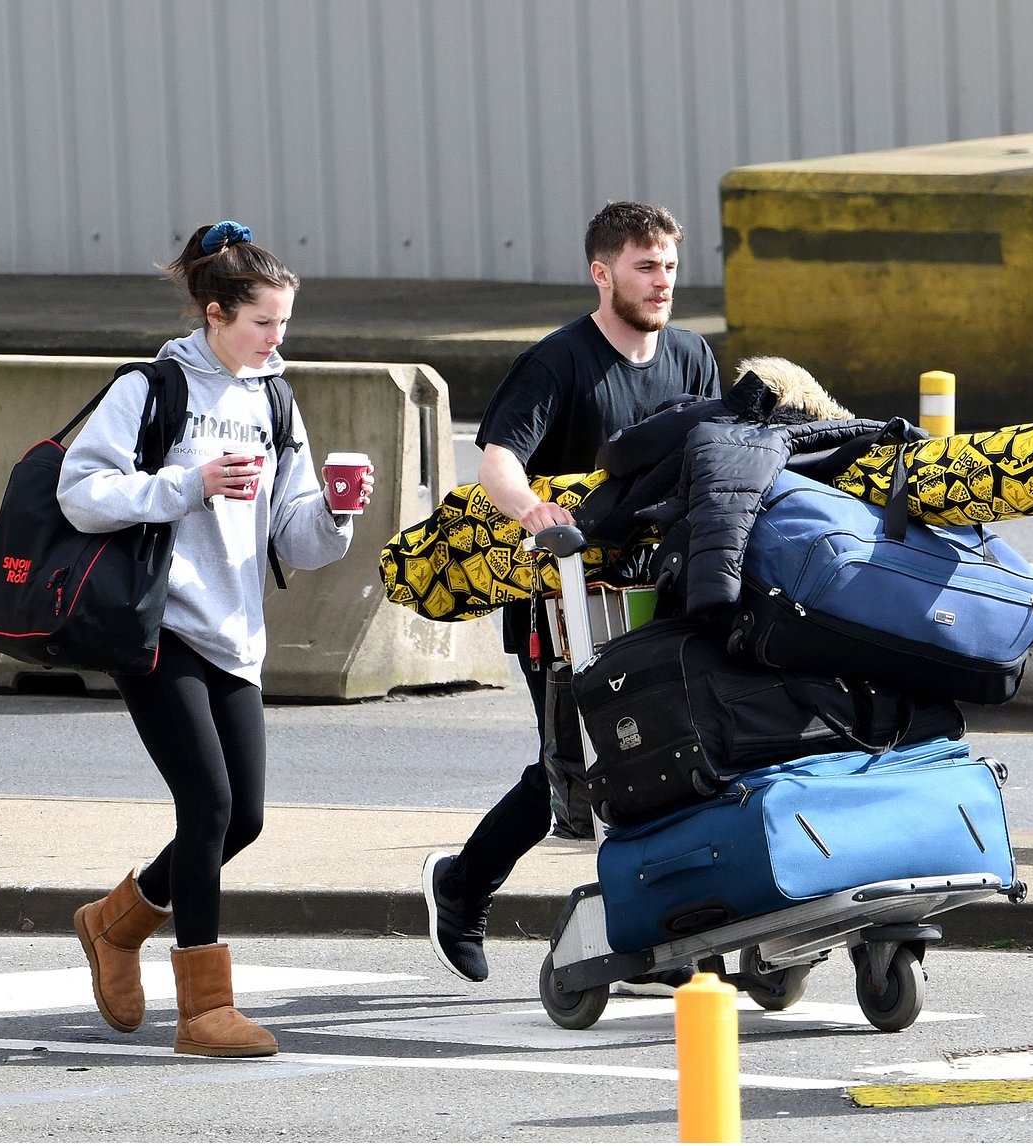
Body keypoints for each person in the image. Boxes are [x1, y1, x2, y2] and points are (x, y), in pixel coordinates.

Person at [60, 221, 373, 1057]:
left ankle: (113, 923)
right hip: (158, 620)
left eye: (284, 325)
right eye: (263, 323)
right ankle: (203, 1010)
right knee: (206, 805)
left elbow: (294, 537)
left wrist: (335, 512)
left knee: (246, 820)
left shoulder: (274, 396)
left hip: (236, 626)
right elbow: (81, 491)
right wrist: (185, 485)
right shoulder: (152, 387)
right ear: (214, 314)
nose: (277, 339)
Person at [421, 201, 720, 983]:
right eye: (644, 267)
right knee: (577, 766)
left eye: (670, 268)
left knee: (660, 750)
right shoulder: (560, 362)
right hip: (559, 600)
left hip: (656, 593)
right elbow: (496, 461)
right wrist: (534, 512)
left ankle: (660, 925)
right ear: (603, 272)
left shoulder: (692, 357)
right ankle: (462, 885)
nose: (662, 284)